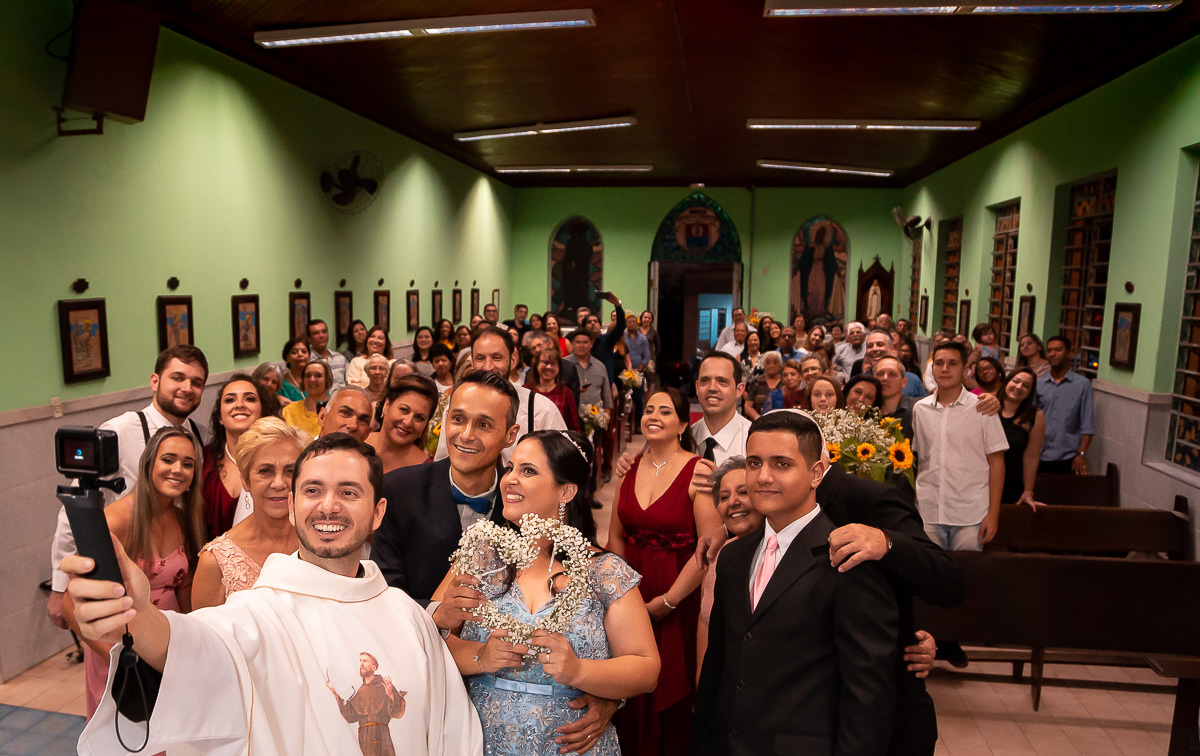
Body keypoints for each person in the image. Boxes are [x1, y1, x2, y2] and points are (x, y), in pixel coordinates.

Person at [67, 433, 484, 755]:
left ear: (377, 512)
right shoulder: (259, 612)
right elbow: (189, 647)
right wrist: (136, 614)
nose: (328, 506)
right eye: (313, 490)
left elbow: (453, 730)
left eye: (349, 492)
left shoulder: (405, 614)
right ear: (294, 504)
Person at [437, 431, 660, 755]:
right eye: (510, 468)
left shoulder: (603, 571)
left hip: (570, 745)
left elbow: (646, 667)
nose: (510, 479)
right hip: (482, 740)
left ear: (566, 490)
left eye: (528, 471)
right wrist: (480, 657)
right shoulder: (481, 557)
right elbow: (433, 637)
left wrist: (579, 671)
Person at [693, 410, 900, 756]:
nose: (764, 477)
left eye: (782, 464)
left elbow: (868, 696)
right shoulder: (733, 557)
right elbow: (719, 669)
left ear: (816, 473)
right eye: (755, 463)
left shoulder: (848, 561)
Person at [47, 346, 208, 630]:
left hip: (174, 575)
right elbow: (75, 509)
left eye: (196, 382)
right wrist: (60, 589)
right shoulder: (120, 431)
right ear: (155, 381)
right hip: (123, 578)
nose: (187, 388)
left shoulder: (199, 434)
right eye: (178, 378)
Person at [63, 426, 206, 719]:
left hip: (165, 645)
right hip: (120, 649)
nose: (177, 469)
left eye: (188, 463)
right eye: (168, 459)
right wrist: (122, 659)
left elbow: (186, 591)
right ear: (148, 464)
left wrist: (193, 645)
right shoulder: (116, 520)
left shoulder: (184, 519)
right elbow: (70, 605)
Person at [612, 388, 721, 756]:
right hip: (630, 590)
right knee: (628, 679)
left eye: (664, 411)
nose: (653, 415)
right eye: (648, 410)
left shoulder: (698, 470)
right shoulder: (628, 467)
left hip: (678, 592)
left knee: (671, 685)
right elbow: (615, 536)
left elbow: (710, 544)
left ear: (681, 423)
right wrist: (619, 593)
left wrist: (669, 602)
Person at [191, 418, 310, 609]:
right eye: (265, 471)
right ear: (245, 480)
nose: (279, 483)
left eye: (290, 470)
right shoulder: (215, 563)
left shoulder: (321, 540)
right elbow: (205, 638)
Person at [913, 341, 1008, 551]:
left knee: (966, 575)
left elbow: (997, 463)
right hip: (928, 510)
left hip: (970, 512)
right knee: (931, 576)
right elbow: (921, 459)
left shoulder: (982, 408)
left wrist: (993, 514)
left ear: (965, 368)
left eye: (952, 363)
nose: (945, 369)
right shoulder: (920, 409)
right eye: (939, 363)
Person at [433, 327, 567, 463]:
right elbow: (443, 460)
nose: (488, 367)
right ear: (472, 362)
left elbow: (561, 466)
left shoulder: (541, 409)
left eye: (497, 358)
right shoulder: (457, 404)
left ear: (513, 360)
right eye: (480, 358)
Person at [695, 458, 763, 675]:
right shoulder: (719, 555)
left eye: (743, 492)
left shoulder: (781, 555)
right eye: (724, 497)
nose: (733, 502)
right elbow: (706, 623)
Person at [202, 374, 268, 538]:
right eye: (230, 400)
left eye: (250, 399)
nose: (239, 405)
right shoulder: (202, 459)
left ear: (262, 412)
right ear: (220, 417)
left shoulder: (277, 460)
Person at [1036, 335, 1095, 475]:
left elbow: (1087, 424)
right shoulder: (1038, 383)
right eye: (1049, 350)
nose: (1052, 354)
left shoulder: (1082, 385)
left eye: (1058, 349)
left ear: (1070, 353)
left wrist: (1082, 455)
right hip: (1040, 456)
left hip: (1069, 458)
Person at [368, 374, 438, 473]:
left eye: (419, 418)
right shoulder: (356, 444)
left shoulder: (428, 472)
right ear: (386, 405)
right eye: (404, 410)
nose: (408, 422)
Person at [999, 368, 1047, 507]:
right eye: (1016, 381)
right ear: (1007, 382)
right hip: (983, 480)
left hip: (1013, 481)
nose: (1019, 387)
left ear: (1030, 392)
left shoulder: (1035, 415)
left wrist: (1028, 491)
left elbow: (1031, 457)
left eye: (1026, 385)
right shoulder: (990, 406)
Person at [526, 346, 582, 432]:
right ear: (537, 365)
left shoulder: (566, 393)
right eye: (545, 362)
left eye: (553, 363)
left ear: (559, 368)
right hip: (530, 441)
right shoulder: (526, 390)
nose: (549, 367)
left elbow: (573, 427)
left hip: (557, 442)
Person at [566, 330, 613, 426]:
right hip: (571, 419)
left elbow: (606, 394)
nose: (581, 345)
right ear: (572, 344)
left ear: (591, 344)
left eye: (585, 342)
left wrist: (606, 414)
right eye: (578, 342)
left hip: (595, 420)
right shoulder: (564, 364)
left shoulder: (600, 366)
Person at [280, 359, 333, 437]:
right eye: (308, 375)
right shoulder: (289, 411)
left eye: (318, 375)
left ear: (327, 379)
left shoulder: (334, 410)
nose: (312, 379)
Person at [624, 313, 651, 427]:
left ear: (637, 323)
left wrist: (640, 368)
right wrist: (628, 369)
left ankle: (638, 425)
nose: (632, 324)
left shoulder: (643, 338)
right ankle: (626, 422)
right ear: (626, 324)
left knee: (639, 399)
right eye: (629, 322)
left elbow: (647, 355)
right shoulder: (623, 337)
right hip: (625, 372)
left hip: (639, 372)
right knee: (625, 398)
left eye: (634, 322)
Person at [307, 318, 348, 387]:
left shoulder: (340, 358)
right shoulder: (307, 360)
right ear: (309, 339)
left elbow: (349, 383)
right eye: (316, 333)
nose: (321, 336)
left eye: (324, 331)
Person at [744, 350, 782, 420]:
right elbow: (748, 407)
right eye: (768, 363)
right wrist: (759, 419)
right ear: (764, 365)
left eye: (775, 362)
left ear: (780, 365)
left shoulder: (784, 382)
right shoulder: (756, 382)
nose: (771, 365)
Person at [279, 337, 310, 402]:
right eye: (294, 352)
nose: (300, 354)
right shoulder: (280, 384)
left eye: (304, 352)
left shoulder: (316, 379)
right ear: (287, 358)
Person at [640, 310, 662, 389]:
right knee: (637, 381)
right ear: (641, 318)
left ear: (652, 320)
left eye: (649, 318)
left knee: (649, 383)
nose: (647, 319)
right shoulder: (637, 331)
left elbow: (658, 348)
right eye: (645, 317)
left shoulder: (654, 332)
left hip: (650, 361)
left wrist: (653, 358)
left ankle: (647, 401)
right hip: (638, 360)